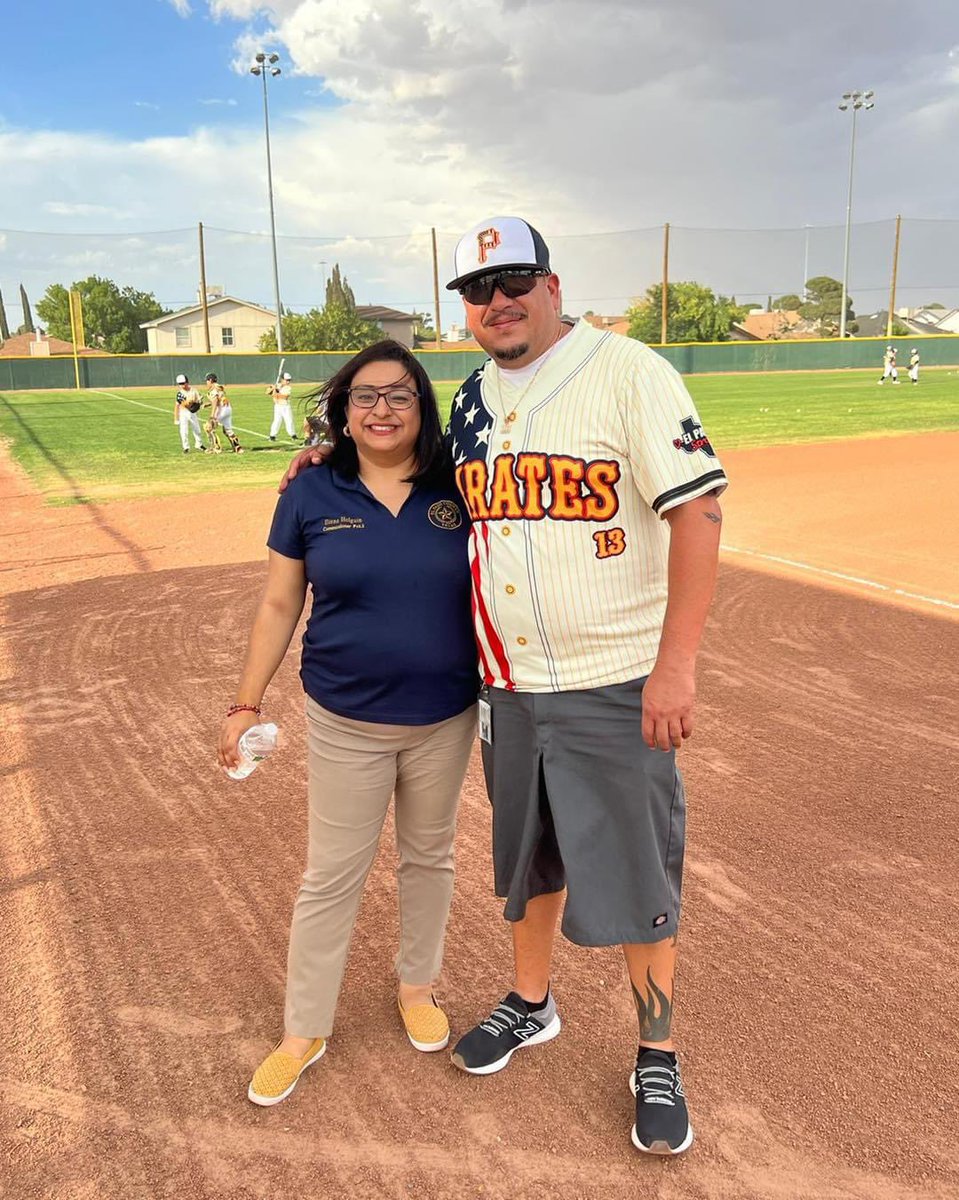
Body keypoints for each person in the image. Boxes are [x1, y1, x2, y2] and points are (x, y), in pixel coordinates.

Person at [279, 216, 727, 1157]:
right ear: (465, 311)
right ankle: (532, 1002)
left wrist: (676, 666)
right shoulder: (476, 400)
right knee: (528, 863)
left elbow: (699, 513)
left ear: (551, 284)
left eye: (513, 278)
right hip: (507, 685)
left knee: (639, 869)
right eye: (477, 289)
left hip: (613, 677)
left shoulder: (627, 370)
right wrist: (325, 457)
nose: (497, 300)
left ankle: (657, 1049)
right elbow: (413, 470)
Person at [218, 340, 478, 1108]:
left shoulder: (459, 483)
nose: (382, 410)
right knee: (331, 875)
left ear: (422, 408)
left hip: (444, 715)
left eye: (400, 396)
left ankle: (416, 987)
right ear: (342, 409)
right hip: (346, 719)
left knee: (429, 858)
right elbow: (278, 604)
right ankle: (304, 1029)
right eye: (365, 397)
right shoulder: (310, 489)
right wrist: (245, 701)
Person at [206, 372, 244, 453]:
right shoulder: (219, 387)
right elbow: (219, 399)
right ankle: (238, 448)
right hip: (228, 409)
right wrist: (208, 404)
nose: (206, 383)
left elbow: (215, 401)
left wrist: (212, 415)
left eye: (207, 381)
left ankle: (216, 447)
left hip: (221, 410)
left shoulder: (213, 389)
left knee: (209, 427)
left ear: (210, 380)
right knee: (228, 430)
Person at [174, 373, 207, 453]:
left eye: (183, 383)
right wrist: (176, 418)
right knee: (184, 431)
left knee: (197, 429)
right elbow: (179, 405)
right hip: (183, 413)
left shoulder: (194, 390)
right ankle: (186, 447)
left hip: (193, 413)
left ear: (187, 382)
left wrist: (199, 403)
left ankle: (199, 444)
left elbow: (199, 400)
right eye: (180, 384)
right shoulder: (180, 394)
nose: (182, 385)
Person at [268, 371, 297, 441]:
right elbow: (267, 392)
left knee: (289, 421)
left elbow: (285, 397)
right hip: (277, 406)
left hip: (285, 406)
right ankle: (272, 436)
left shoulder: (288, 388)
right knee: (276, 421)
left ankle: (293, 435)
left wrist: (275, 393)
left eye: (289, 380)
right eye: (287, 380)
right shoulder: (277, 385)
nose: (288, 382)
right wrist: (272, 388)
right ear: (282, 380)